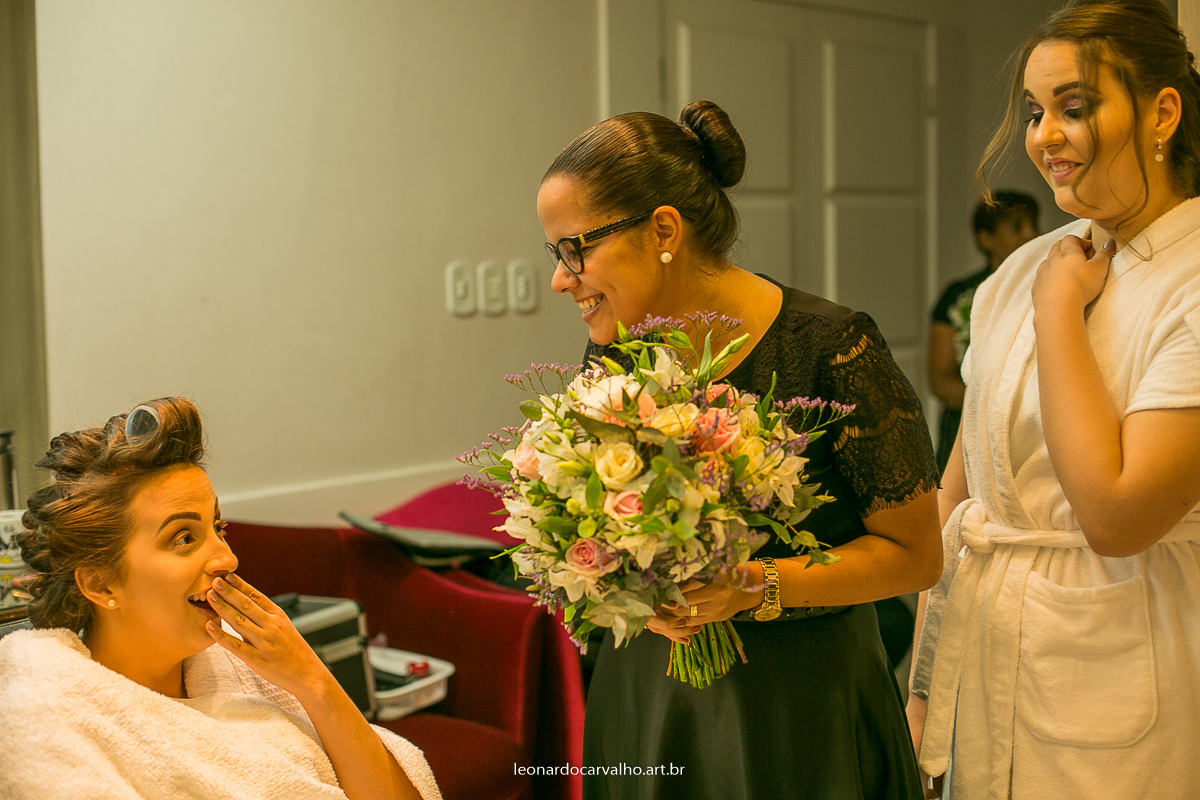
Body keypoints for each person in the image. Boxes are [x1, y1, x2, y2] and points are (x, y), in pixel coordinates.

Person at [537, 99, 943, 800]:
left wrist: (753, 586)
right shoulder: (618, 352)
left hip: (799, 709)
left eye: (576, 249)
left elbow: (916, 557)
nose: (560, 278)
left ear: (664, 229)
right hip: (653, 698)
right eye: (556, 254)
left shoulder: (833, 348)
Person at [908, 1, 1200, 797]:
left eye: (1075, 108)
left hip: (1122, 681)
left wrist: (1058, 313)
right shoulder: (1020, 271)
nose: (1044, 137)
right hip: (984, 662)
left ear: (1161, 112)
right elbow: (960, 497)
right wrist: (923, 691)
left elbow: (1116, 517)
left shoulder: (1184, 281)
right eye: (1036, 112)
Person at [0, 397, 441, 800]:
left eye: (218, 527)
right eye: (183, 538)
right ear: (101, 585)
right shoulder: (53, 717)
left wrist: (311, 678)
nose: (228, 558)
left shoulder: (235, 667)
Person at [928, 192, 1039, 472]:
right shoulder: (960, 295)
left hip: (1029, 431)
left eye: (1033, 224)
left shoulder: (1047, 287)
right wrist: (994, 403)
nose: (1032, 234)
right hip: (965, 428)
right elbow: (940, 380)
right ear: (986, 239)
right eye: (1017, 227)